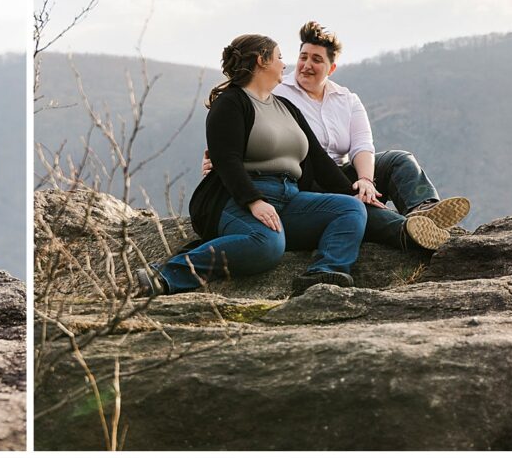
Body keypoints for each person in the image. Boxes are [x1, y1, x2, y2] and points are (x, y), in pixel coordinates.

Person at [200, 23, 472, 256]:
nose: (305, 65)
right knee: (353, 206)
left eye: (316, 60)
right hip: (308, 178)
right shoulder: (274, 91)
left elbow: (362, 145)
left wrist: (364, 181)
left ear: (331, 68)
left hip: (339, 173)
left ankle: (424, 212)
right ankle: (407, 233)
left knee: (398, 159)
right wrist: (222, 170)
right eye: (302, 57)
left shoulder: (346, 99)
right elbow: (235, 138)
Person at [137, 34, 368, 298]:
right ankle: (165, 275)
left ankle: (323, 274)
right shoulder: (230, 103)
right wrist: (254, 201)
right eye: (280, 57)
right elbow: (227, 161)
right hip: (237, 200)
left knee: (349, 209)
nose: (285, 64)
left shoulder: (287, 107)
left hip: (290, 198)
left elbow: (318, 160)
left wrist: (356, 193)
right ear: (262, 60)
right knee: (267, 246)